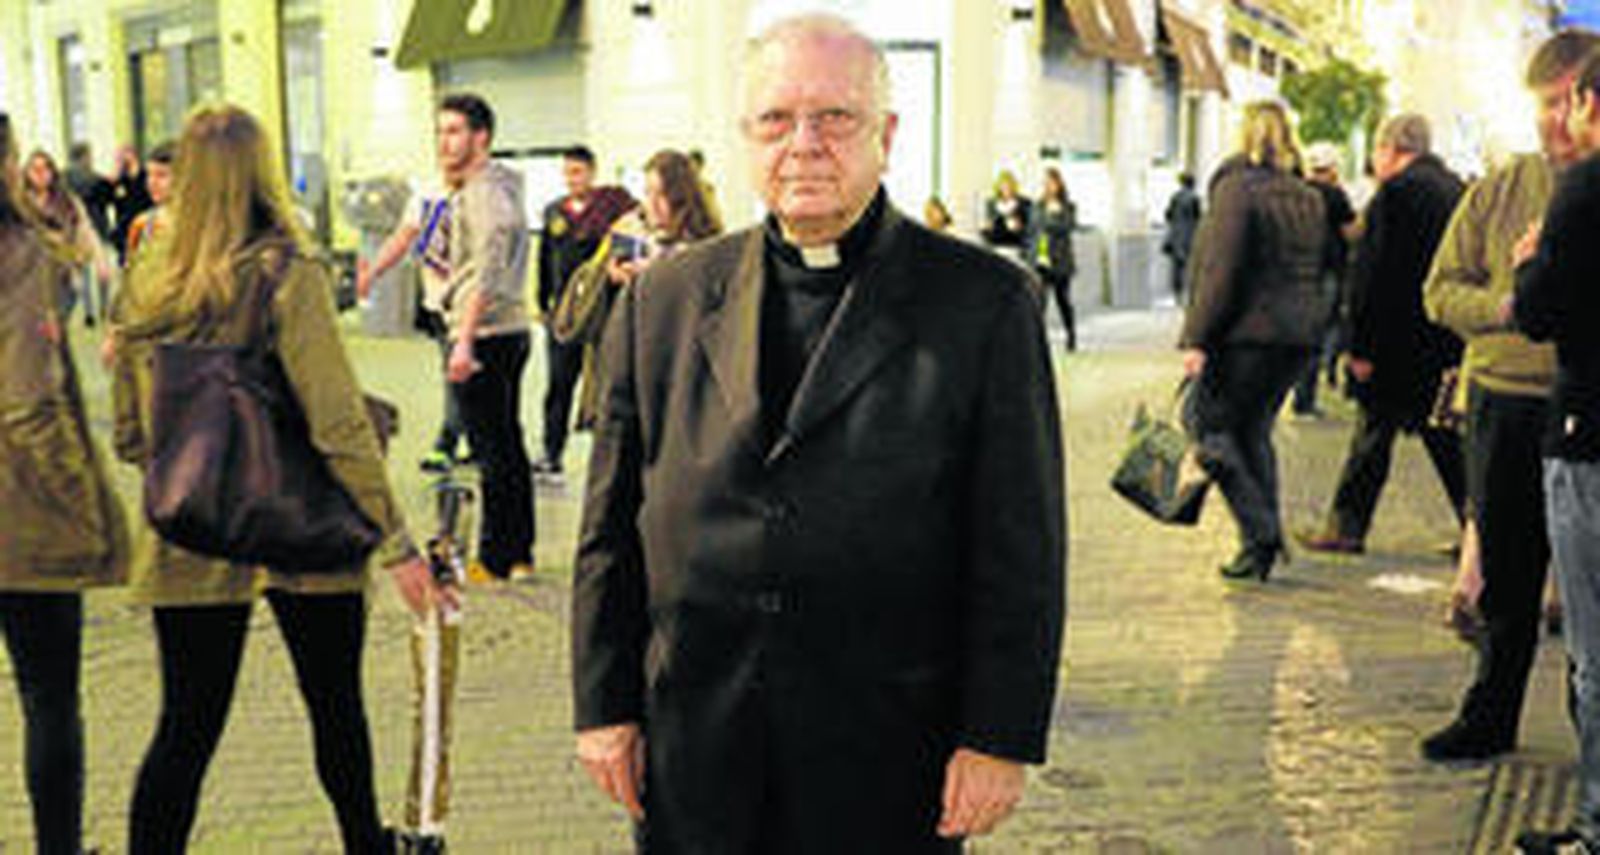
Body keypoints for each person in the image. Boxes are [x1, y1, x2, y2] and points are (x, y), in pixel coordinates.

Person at [571, 13, 1066, 852]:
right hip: (697, 742)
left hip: (889, 749)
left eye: (836, 117)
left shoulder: (982, 303)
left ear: (888, 134)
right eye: (776, 119)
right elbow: (610, 524)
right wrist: (604, 705)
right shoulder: (665, 299)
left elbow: (1021, 540)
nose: (804, 143)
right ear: (745, 137)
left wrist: (998, 735)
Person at [110, 104, 446, 852]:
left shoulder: (147, 274)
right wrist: (398, 543)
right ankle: (367, 844)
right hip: (301, 519)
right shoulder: (289, 272)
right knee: (335, 707)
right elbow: (337, 423)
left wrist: (191, 470)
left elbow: (132, 431)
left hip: (189, 526)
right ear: (260, 172)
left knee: (186, 725)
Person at [1420, 28, 1600, 763]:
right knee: (1507, 575)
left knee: (1585, 598)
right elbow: (1438, 291)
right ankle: (1490, 712)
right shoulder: (1500, 189)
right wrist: (1504, 307)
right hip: (1504, 399)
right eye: (1542, 106)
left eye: (1567, 102)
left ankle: (1586, 737)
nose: (1554, 121)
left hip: (1583, 414)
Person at [0, 110, 128, 855]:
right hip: (22, 511)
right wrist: (81, 502)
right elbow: (31, 400)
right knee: (48, 695)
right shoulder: (22, 252)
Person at [1297, 114, 1467, 554]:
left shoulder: (1396, 195)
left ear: (1393, 149)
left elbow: (1375, 276)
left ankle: (1345, 527)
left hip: (1394, 344)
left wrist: (1361, 345)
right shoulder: (1455, 190)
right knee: (1446, 438)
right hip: (1442, 338)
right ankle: (1478, 532)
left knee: (1372, 435)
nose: (1374, 160)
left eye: (1377, 151)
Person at [1508, 46, 1600, 854]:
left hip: (1589, 435)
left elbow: (1535, 313)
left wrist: (1531, 259)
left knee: (1594, 647)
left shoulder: (1584, 190)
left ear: (1588, 104)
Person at [1179, 100, 1327, 582]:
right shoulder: (1306, 195)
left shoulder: (1237, 191)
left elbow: (1221, 270)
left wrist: (1197, 337)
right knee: (1253, 433)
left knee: (1209, 428)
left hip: (1247, 334)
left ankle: (1262, 531)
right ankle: (1257, 549)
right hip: (1297, 336)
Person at [427, 93, 537, 582]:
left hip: (486, 331)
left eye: (455, 131)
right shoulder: (501, 186)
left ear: (481, 137)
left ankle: (495, 557)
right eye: (441, 131)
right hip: (507, 328)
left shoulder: (482, 192)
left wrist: (465, 340)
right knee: (507, 445)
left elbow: (487, 270)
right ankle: (518, 551)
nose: (445, 142)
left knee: (492, 450)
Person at [561, 148, 723, 431]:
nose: (654, 205)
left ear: (683, 198)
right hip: (628, 370)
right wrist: (609, 278)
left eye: (663, 195)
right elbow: (589, 292)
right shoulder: (630, 232)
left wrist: (659, 279)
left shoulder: (707, 248)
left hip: (679, 378)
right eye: (648, 193)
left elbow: (709, 315)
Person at [356, 169, 468, 475]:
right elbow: (404, 237)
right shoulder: (427, 195)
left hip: (476, 308)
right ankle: (461, 440)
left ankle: (449, 441)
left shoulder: (485, 193)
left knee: (465, 380)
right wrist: (372, 272)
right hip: (443, 307)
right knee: (456, 378)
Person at [535, 145, 636, 480]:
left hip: (602, 315)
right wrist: (542, 303)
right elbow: (544, 260)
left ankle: (607, 459)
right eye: (566, 173)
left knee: (604, 388)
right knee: (558, 386)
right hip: (564, 315)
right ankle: (551, 454)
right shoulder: (553, 212)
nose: (571, 179)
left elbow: (627, 248)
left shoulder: (611, 209)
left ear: (591, 172)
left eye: (577, 172)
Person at [1290, 141, 1358, 417]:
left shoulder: (1298, 192)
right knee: (1324, 333)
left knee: (1306, 334)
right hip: (1328, 271)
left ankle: (1300, 393)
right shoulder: (1334, 194)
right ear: (1330, 170)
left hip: (1300, 272)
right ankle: (1312, 389)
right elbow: (1351, 232)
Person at [22, 149, 111, 326]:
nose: (41, 174)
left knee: (59, 325)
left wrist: (100, 258)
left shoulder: (67, 201)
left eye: (45, 169)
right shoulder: (20, 203)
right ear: (26, 173)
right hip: (31, 280)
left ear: (53, 173)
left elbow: (85, 228)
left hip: (64, 276)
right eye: (35, 169)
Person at [1029, 166, 1078, 351]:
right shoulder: (1038, 205)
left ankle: (1071, 334)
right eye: (1046, 183)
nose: (1048, 186)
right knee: (1039, 301)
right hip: (1040, 260)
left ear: (1059, 184)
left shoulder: (1068, 206)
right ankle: (1037, 340)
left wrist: (1050, 219)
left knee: (1063, 300)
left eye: (1052, 182)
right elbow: (1034, 226)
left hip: (1061, 262)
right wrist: (1050, 219)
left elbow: (1066, 226)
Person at [122, 140, 174, 261]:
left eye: (162, 175)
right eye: (149, 175)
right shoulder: (142, 225)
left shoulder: (199, 226)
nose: (152, 182)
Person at [109, 143, 153, 265]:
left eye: (123, 155)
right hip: (125, 233)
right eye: (118, 157)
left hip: (144, 228)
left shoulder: (146, 177)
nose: (121, 159)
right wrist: (115, 171)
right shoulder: (121, 181)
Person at [64, 142, 114, 246]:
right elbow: (109, 198)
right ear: (84, 158)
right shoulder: (96, 180)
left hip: (71, 231)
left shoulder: (61, 179)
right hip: (94, 229)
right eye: (89, 156)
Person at [1162, 172, 1201, 299]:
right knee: (1191, 266)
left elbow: (1168, 215)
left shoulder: (1175, 197)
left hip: (1176, 237)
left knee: (1176, 267)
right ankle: (1190, 293)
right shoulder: (1194, 198)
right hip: (1190, 236)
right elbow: (1198, 218)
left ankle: (1177, 293)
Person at [980, 168, 1030, 256]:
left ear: (1014, 187)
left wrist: (1019, 228)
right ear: (998, 187)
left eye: (1009, 186)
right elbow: (987, 231)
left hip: (1016, 248)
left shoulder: (1024, 204)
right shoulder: (991, 204)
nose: (1006, 189)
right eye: (1003, 186)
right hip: (995, 248)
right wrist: (987, 228)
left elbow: (1030, 231)